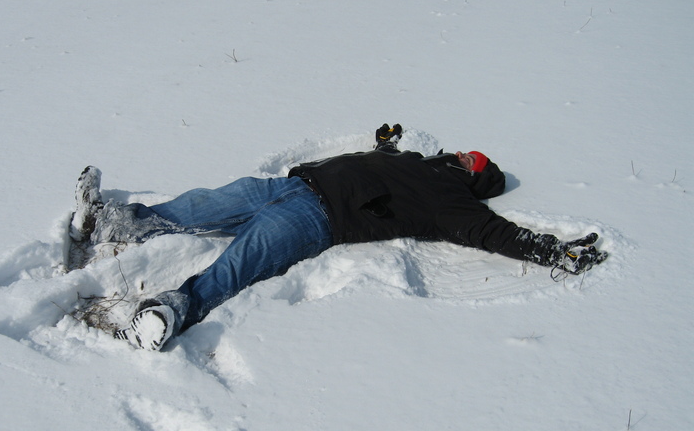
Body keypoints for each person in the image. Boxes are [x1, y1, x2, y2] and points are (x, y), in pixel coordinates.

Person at [69, 125, 607, 351]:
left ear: (476, 178)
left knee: (239, 264)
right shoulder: (416, 160)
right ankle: (117, 223)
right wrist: (384, 142)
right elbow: (380, 162)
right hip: (289, 186)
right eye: (470, 153)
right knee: (198, 205)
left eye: (475, 162)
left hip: (318, 220)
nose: (467, 156)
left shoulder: (452, 203)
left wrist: (550, 250)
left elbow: (494, 233)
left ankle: (170, 312)